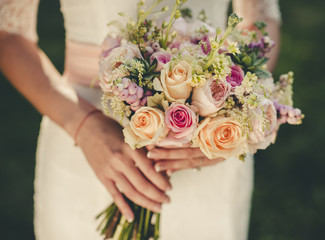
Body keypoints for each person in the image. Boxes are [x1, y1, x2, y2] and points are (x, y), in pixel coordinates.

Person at [0, 0, 280, 239]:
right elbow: (8, 32)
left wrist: (230, 108)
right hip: (82, 138)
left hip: (206, 146)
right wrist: (83, 125)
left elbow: (261, 19)